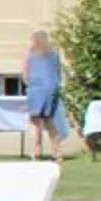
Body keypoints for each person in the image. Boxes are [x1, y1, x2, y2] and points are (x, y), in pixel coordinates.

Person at [23, 27, 83, 158]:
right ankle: (57, 152)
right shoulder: (53, 54)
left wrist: (31, 85)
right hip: (51, 90)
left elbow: (25, 74)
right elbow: (57, 73)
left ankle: (37, 150)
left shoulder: (30, 54)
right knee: (50, 122)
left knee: (37, 124)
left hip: (36, 90)